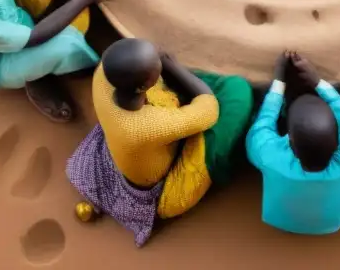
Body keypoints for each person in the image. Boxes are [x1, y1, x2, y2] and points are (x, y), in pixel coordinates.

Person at [67, 38, 253, 246]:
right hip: (165, 186)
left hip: (131, 152)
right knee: (238, 92)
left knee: (182, 88)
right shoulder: (147, 126)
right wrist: (171, 65)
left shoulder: (103, 74)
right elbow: (209, 109)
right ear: (144, 85)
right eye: (156, 66)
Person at [247, 51, 340, 235]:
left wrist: (279, 80)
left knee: (257, 116)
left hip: (281, 221)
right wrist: (319, 83)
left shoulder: (272, 158)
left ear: (289, 139)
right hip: (332, 226)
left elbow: (262, 125)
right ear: (337, 140)